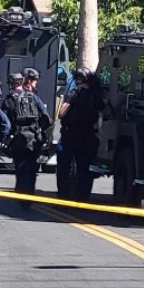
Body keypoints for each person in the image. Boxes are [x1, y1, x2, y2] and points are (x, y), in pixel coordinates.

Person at [3, 68, 52, 210]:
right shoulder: (33, 97)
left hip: (18, 139)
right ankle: (29, 196)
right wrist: (40, 132)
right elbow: (46, 118)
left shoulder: (9, 100)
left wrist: (5, 138)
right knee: (31, 168)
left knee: (20, 168)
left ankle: (21, 196)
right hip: (34, 139)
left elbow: (4, 121)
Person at [56, 67, 104, 202]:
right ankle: (82, 199)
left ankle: (63, 198)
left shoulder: (74, 92)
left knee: (63, 169)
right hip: (87, 136)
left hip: (70, 136)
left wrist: (70, 101)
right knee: (85, 169)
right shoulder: (95, 96)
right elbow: (108, 113)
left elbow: (61, 114)